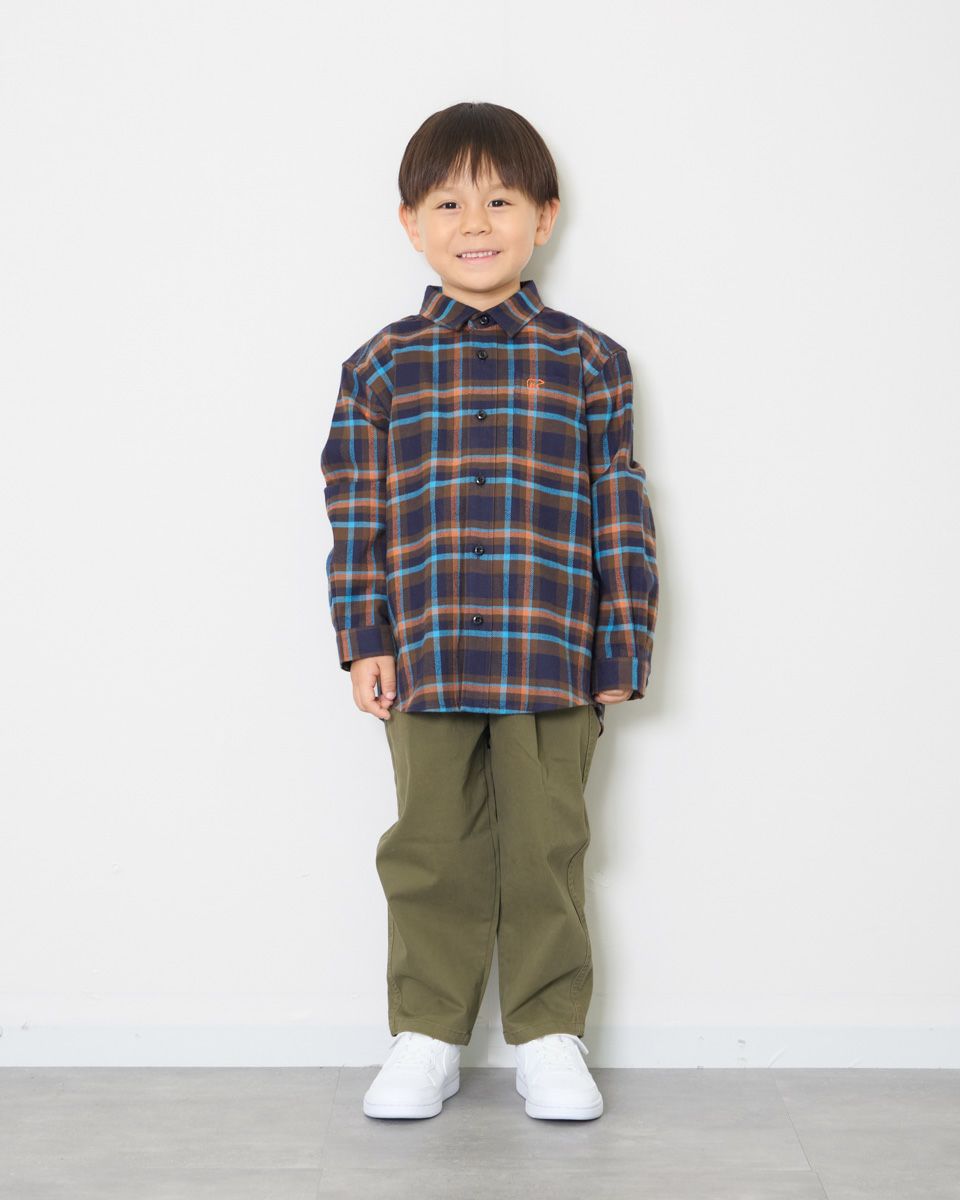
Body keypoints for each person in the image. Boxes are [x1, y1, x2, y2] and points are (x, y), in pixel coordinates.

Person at [320, 101, 659, 1122]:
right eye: (448, 203)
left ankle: (550, 1036)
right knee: (429, 848)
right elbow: (356, 513)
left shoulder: (588, 360)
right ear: (410, 223)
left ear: (543, 217)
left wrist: (623, 642)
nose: (475, 223)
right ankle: (426, 1033)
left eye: (501, 201)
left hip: (551, 655)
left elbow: (620, 503)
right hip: (424, 657)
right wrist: (364, 641)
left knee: (547, 846)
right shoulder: (379, 367)